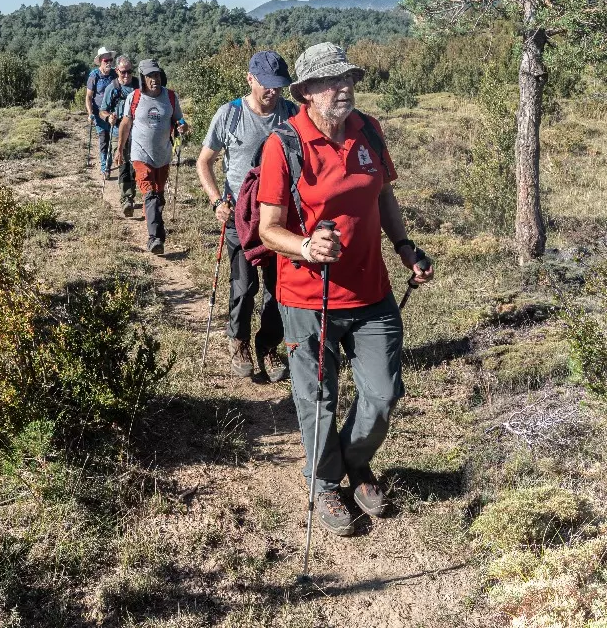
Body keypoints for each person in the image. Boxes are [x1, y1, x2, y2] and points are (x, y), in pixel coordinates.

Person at [256, 42, 434, 538]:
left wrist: (404, 247)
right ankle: (326, 481)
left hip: (371, 291)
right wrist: (307, 247)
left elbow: (384, 193)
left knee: (383, 394)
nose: (345, 87)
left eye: (349, 78)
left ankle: (354, 463)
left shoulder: (368, 131)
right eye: (333, 81)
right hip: (308, 298)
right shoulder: (284, 144)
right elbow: (269, 229)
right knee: (319, 399)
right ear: (307, 92)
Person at [196, 50, 297, 382]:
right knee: (243, 286)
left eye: (279, 86)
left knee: (278, 288)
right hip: (242, 217)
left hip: (282, 217)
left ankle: (268, 346)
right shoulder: (230, 115)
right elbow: (204, 162)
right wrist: (216, 201)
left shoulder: (292, 114)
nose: (273, 92)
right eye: (267, 85)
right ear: (250, 79)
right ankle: (237, 341)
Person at [113, 59, 188, 255]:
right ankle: (155, 238)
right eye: (149, 76)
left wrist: (182, 126)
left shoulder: (170, 97)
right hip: (140, 154)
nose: (154, 80)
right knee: (150, 192)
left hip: (163, 155)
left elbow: (179, 119)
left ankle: (156, 227)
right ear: (142, 78)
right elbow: (126, 124)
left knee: (158, 196)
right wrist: (120, 149)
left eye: (156, 75)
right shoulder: (134, 97)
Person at [98, 55, 141, 216]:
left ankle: (137, 193)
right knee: (123, 164)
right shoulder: (112, 88)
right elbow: (102, 110)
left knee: (136, 165)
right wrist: (108, 116)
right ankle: (127, 198)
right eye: (123, 72)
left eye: (129, 71)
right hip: (118, 132)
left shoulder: (139, 85)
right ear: (117, 71)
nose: (126, 75)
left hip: (138, 133)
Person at [84, 47, 120, 178]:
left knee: (113, 139)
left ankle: (110, 162)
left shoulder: (115, 75)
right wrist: (90, 113)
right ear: (100, 61)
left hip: (113, 113)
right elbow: (88, 96)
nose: (109, 62)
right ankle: (105, 167)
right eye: (106, 60)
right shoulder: (94, 75)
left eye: (110, 60)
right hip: (99, 114)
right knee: (104, 140)